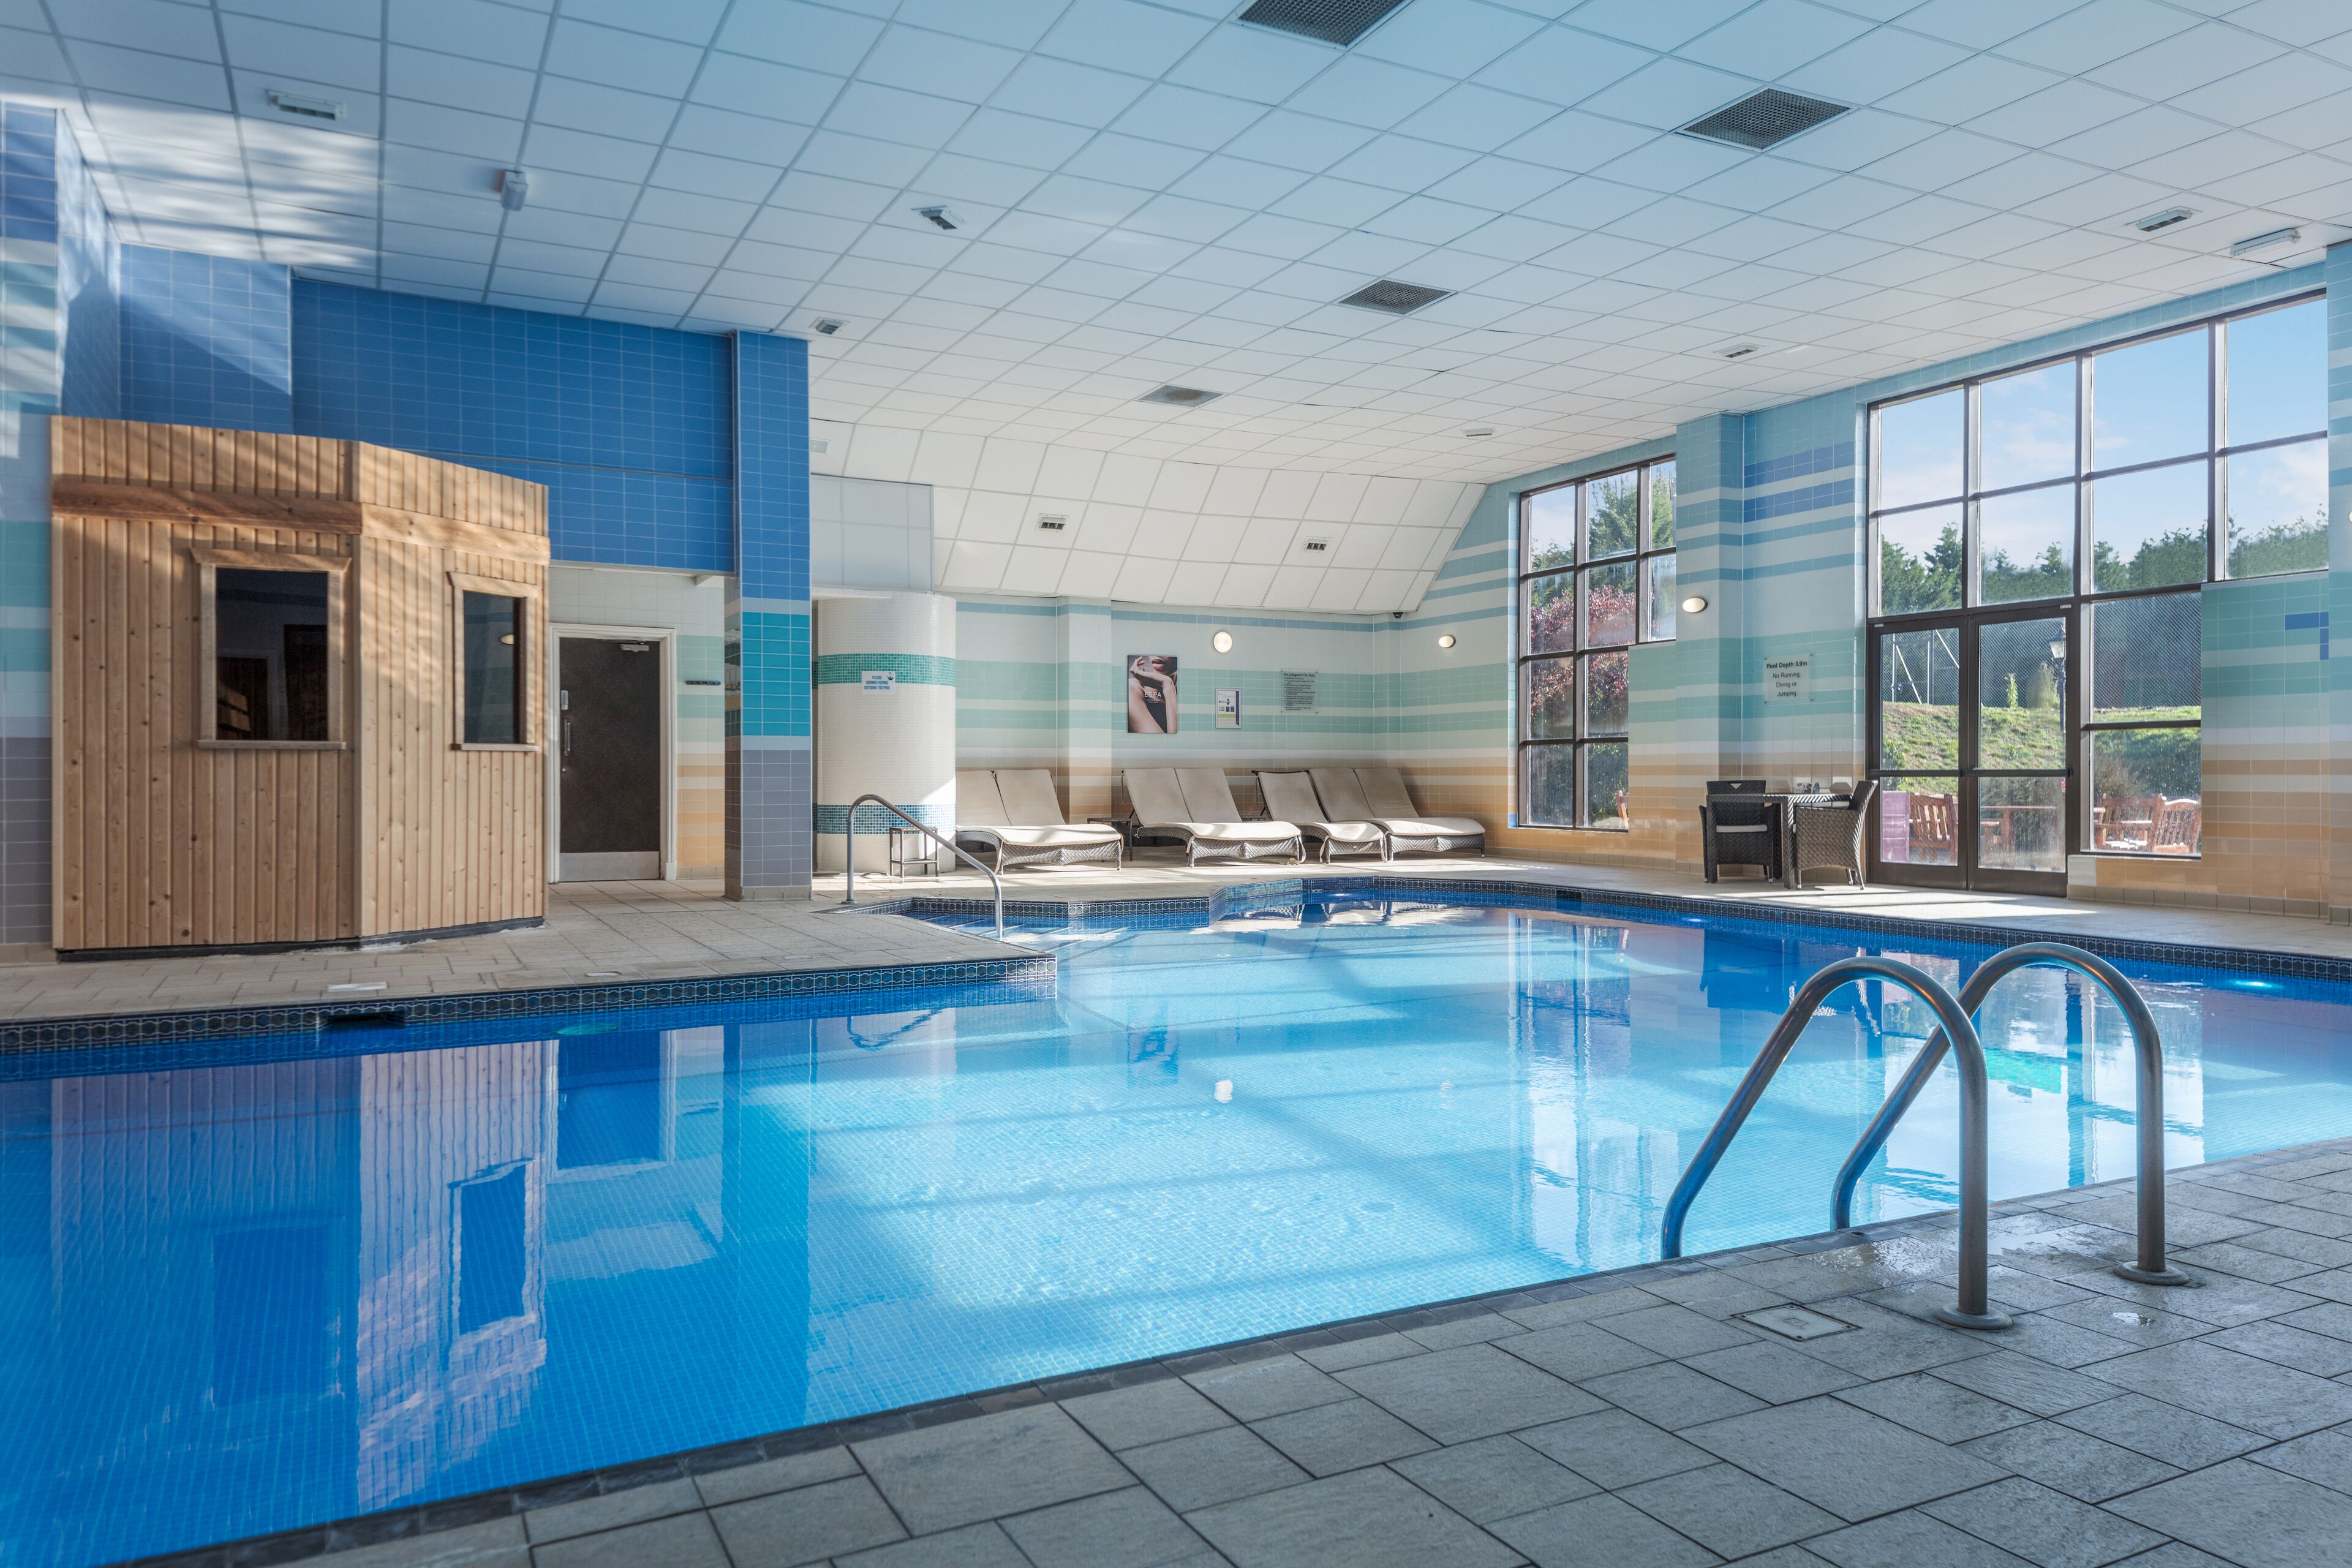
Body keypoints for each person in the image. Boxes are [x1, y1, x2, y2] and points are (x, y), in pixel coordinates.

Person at [1128, 655, 1175, 734]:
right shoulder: (1132, 688)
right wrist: (1167, 684)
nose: (1159, 655)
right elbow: (1164, 744)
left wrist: (1169, 687)